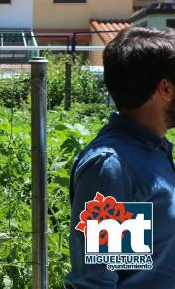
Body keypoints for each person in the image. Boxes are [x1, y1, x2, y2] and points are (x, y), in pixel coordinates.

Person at [65, 27, 175, 288]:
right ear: (166, 89)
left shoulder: (150, 152)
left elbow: (144, 260)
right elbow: (97, 281)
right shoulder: (114, 168)